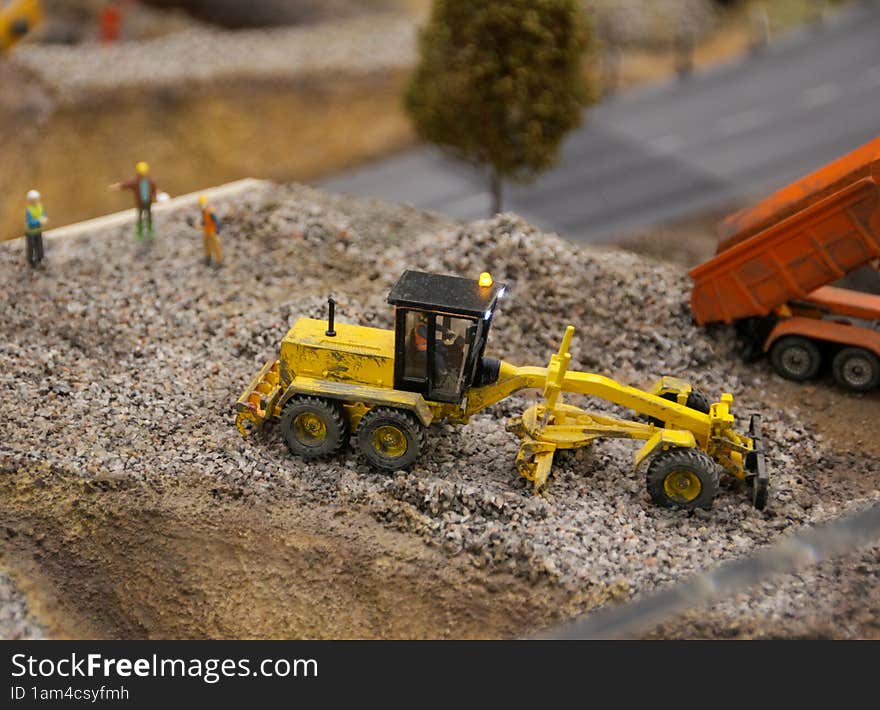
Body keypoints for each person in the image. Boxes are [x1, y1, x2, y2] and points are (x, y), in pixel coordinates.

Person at [109, 161, 160, 242]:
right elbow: (127, 184)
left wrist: (157, 194)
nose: (143, 175)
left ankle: (150, 230)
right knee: (139, 218)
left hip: (148, 202)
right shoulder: (136, 182)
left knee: (149, 217)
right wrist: (118, 186)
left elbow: (154, 188)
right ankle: (139, 233)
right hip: (140, 203)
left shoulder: (149, 181)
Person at [24, 189, 47, 268]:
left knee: (39, 245)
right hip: (30, 232)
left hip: (38, 230)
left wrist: (44, 219)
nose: (35, 201)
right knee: (31, 247)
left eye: (36, 199)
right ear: (30, 201)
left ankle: (39, 259)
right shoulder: (29, 210)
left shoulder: (40, 206)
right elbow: (30, 222)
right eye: (33, 200)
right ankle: (30, 261)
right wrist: (39, 221)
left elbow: (44, 214)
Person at [198, 194, 223, 266]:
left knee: (216, 247)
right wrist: (201, 224)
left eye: (201, 204)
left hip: (212, 232)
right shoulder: (204, 212)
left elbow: (218, 221)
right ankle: (208, 258)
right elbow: (204, 221)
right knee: (206, 245)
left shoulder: (210, 211)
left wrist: (217, 230)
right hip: (206, 231)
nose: (201, 206)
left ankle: (219, 261)